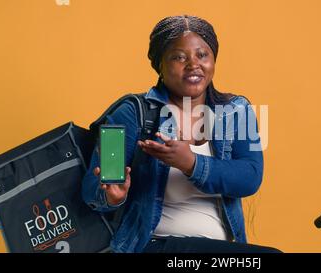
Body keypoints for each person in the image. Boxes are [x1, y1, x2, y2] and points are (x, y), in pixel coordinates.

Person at [82, 15, 281, 253]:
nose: (193, 64)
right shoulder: (131, 113)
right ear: (160, 64)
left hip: (221, 249)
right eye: (178, 57)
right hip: (155, 245)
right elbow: (93, 188)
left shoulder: (235, 111)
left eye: (202, 55)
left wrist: (191, 163)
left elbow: (249, 177)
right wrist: (112, 197)